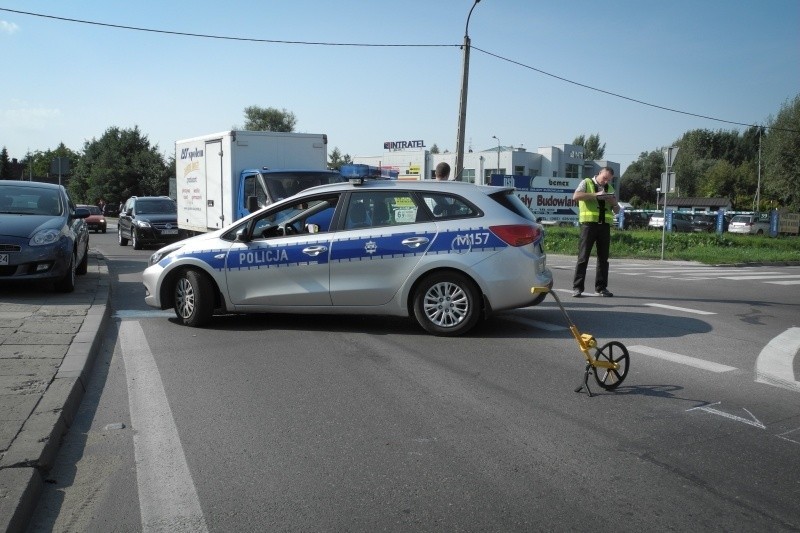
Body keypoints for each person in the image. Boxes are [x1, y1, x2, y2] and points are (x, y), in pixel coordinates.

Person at [571, 166, 619, 297]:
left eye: (609, 180)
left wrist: (613, 202)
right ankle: (577, 287)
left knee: (603, 259)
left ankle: (601, 288)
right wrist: (595, 195)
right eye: (604, 178)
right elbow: (576, 196)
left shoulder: (610, 189)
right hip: (588, 225)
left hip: (604, 226)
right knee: (583, 257)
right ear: (599, 173)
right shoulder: (586, 182)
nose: (606, 182)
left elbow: (617, 210)